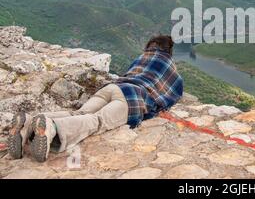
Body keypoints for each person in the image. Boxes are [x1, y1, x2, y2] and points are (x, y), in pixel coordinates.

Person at [7, 35, 183, 162]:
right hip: (132, 97)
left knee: (80, 112)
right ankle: (52, 127)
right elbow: (174, 92)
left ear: (150, 46)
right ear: (169, 50)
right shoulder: (168, 64)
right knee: (98, 121)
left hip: (112, 88)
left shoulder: (141, 57)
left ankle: (29, 123)